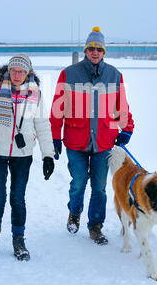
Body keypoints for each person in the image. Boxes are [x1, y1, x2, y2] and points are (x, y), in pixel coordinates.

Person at [50, 27, 134, 245]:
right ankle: (74, 212)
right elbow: (57, 109)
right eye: (91, 48)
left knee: (100, 188)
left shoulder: (115, 75)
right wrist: (55, 137)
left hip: (103, 141)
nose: (95, 52)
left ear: (104, 52)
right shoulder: (68, 74)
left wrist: (126, 128)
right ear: (85, 51)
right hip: (75, 140)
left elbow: (121, 107)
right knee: (78, 182)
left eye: (99, 49)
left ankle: (95, 226)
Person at [0, 54, 54, 261]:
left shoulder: (36, 93)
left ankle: (18, 239)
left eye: (21, 72)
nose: (17, 75)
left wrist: (48, 155)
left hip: (22, 155)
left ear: (28, 73)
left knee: (18, 198)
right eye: (14, 71)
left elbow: (42, 125)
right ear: (9, 70)